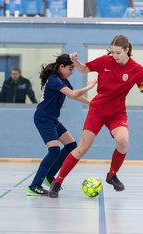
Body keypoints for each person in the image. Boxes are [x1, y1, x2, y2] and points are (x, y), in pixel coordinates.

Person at [48, 35, 143, 198]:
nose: (114, 56)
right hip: (97, 109)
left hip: (117, 112)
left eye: (118, 52)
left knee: (123, 141)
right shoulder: (105, 61)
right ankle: (57, 182)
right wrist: (75, 61)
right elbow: (84, 69)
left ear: (127, 50)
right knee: (82, 148)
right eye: (112, 52)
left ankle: (112, 175)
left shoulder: (137, 69)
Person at [27, 54, 96, 196]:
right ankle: (34, 185)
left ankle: (49, 176)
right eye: (70, 69)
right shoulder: (54, 80)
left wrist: (91, 104)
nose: (72, 72)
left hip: (52, 119)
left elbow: (75, 95)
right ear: (61, 67)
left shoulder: (62, 79)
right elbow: (72, 94)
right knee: (54, 151)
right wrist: (91, 86)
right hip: (43, 118)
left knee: (71, 145)